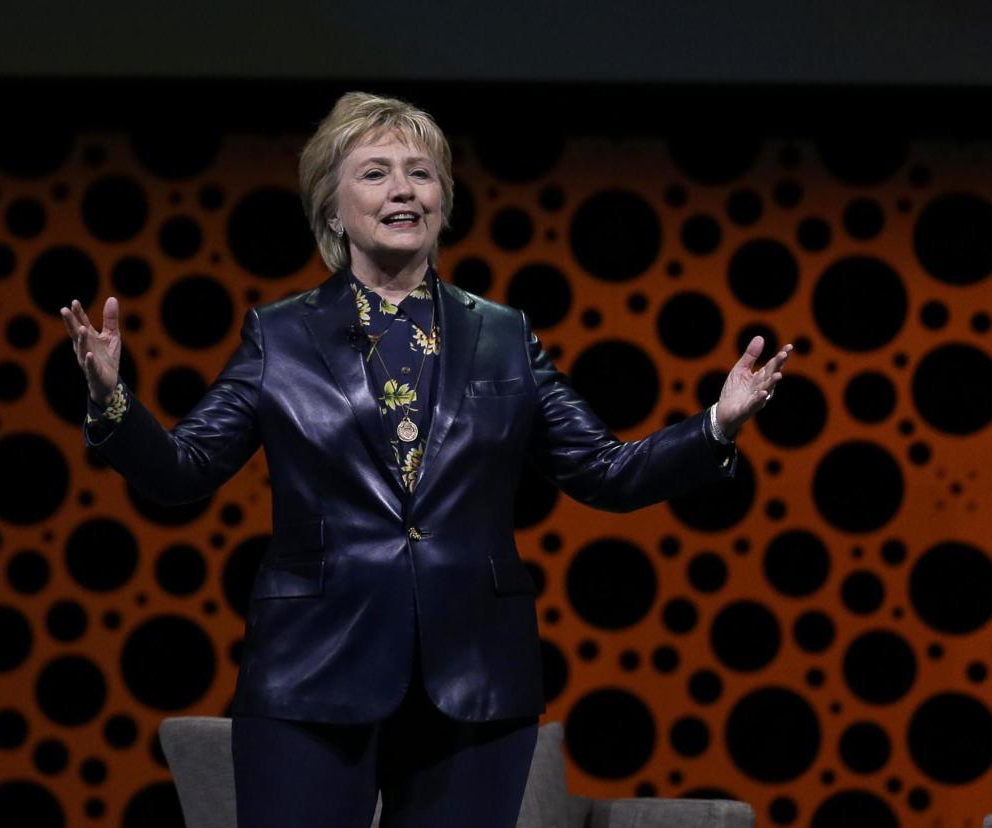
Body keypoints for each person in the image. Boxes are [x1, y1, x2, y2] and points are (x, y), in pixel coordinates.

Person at [60, 91, 791, 828]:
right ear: (332, 210)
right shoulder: (279, 337)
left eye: (421, 172)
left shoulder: (505, 335)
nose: (404, 189)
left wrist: (714, 426)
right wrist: (111, 400)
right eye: (375, 173)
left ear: (443, 200)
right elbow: (186, 469)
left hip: (475, 673)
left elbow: (603, 470)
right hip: (314, 667)